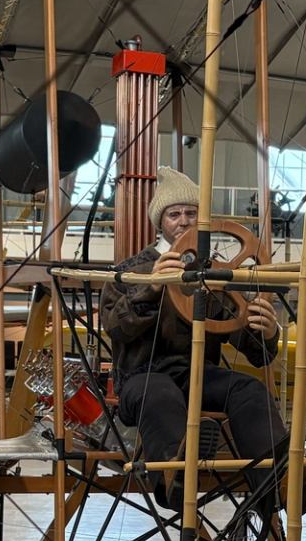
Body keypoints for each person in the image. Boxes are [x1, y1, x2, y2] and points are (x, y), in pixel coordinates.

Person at [101, 166, 287, 517]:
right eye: (174, 214)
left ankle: (278, 481)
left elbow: (251, 347)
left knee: (249, 390)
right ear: (160, 223)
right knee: (159, 392)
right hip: (141, 377)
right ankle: (174, 476)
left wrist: (267, 333)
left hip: (198, 376)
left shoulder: (214, 273)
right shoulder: (130, 270)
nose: (184, 221)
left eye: (191, 213)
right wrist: (152, 287)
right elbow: (115, 328)